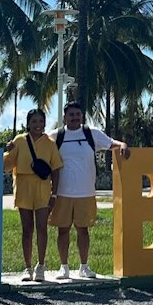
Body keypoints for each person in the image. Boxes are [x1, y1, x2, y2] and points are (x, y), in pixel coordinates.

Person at [48, 101, 130, 280]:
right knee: (63, 230)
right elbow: (35, 144)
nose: (74, 117)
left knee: (83, 230)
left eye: (77, 114)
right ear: (64, 117)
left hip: (86, 192)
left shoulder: (91, 134)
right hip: (62, 192)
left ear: (82, 116)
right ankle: (64, 267)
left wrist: (123, 145)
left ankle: (84, 266)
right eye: (71, 115)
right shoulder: (56, 136)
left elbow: (112, 144)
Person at [6, 109, 61, 283]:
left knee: (42, 227)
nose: (37, 125)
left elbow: (56, 170)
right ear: (28, 123)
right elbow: (6, 163)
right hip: (23, 187)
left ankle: (41, 266)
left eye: (40, 121)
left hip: (43, 188)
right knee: (27, 229)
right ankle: (27, 267)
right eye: (34, 122)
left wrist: (54, 194)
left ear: (44, 123)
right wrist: (6, 149)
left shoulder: (50, 143)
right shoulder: (19, 141)